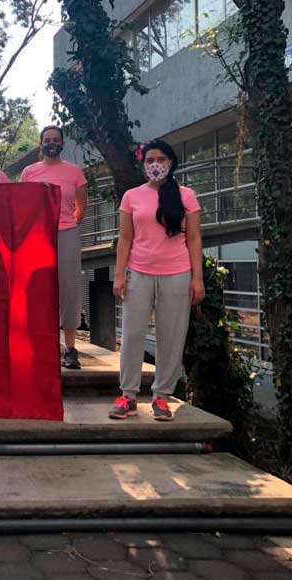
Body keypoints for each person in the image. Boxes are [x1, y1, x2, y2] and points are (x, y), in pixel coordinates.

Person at [110, 139, 204, 422]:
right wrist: (119, 275)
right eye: (150, 160)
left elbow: (195, 238)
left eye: (161, 159)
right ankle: (128, 395)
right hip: (138, 272)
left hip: (177, 273)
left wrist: (197, 278)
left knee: (171, 335)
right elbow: (125, 239)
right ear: (143, 164)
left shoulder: (186, 195)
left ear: (171, 163)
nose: (156, 165)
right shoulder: (131, 196)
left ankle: (162, 396)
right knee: (132, 334)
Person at [20, 125, 88, 369]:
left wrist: (66, 224)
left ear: (62, 143)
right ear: (41, 144)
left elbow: (81, 205)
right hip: (37, 237)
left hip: (66, 234)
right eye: (47, 139)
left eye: (55, 139)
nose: (51, 143)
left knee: (68, 290)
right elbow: (23, 204)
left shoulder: (75, 172)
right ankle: (42, 345)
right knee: (38, 290)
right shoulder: (29, 172)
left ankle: (70, 348)